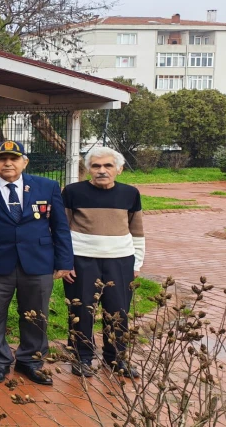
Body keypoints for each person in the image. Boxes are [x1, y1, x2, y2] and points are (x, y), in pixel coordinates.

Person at [0, 140, 74, 386]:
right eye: (2, 158)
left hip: (38, 262)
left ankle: (30, 362)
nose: (8, 163)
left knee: (36, 316)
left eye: (13, 158)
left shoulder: (47, 186)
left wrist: (64, 261)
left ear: (25, 161)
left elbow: (60, 227)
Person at [62, 147, 144, 379]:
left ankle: (116, 359)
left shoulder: (130, 193)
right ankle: (82, 358)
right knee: (81, 310)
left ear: (119, 169)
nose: (102, 170)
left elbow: (136, 231)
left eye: (108, 166)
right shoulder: (72, 192)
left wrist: (136, 264)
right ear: (88, 169)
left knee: (118, 311)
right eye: (96, 166)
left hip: (120, 261)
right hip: (81, 261)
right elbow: (60, 230)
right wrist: (64, 262)